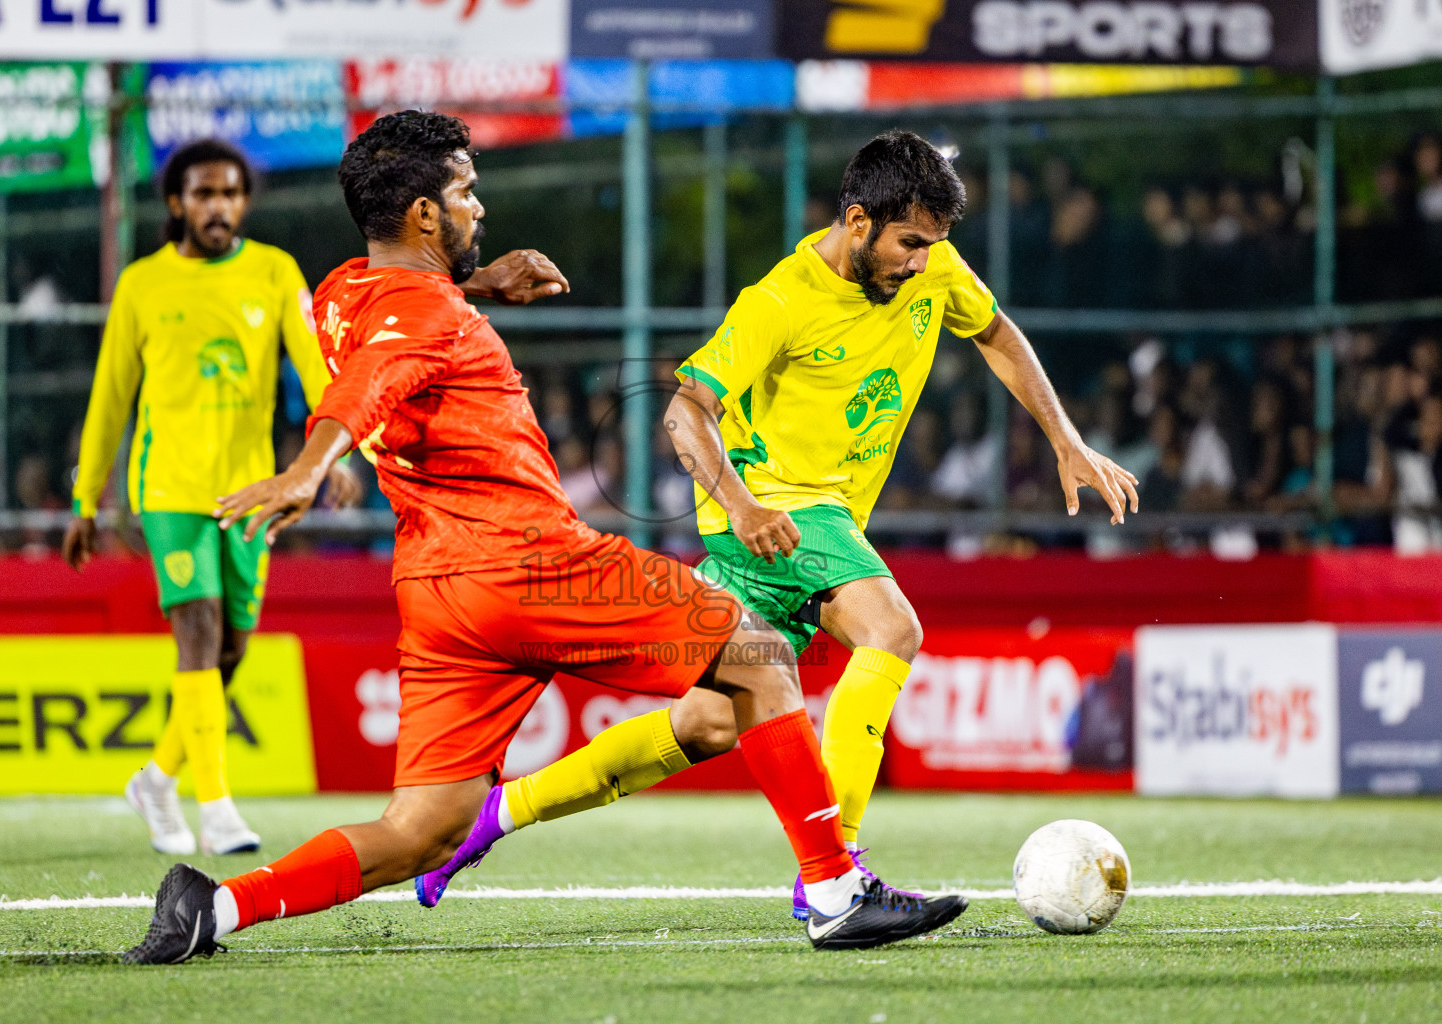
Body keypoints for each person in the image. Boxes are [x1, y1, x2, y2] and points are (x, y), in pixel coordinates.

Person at [124, 111, 966, 965]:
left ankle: (216, 907)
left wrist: (478, 281)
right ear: (424, 214)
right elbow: (374, 379)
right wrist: (310, 466)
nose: (479, 207)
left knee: (421, 829)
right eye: (465, 192)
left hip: (440, 593)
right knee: (761, 660)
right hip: (533, 562)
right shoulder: (429, 318)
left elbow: (390, 333)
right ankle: (834, 890)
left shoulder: (345, 292)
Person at [414, 130, 1139, 921]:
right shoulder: (781, 300)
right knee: (892, 630)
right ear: (857, 222)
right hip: (775, 509)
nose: (923, 262)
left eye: (933, 245)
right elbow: (684, 412)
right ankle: (838, 877)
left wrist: (1066, 441)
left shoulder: (932, 267)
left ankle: (494, 815)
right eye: (909, 243)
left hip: (790, 528)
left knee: (706, 724)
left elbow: (997, 333)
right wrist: (744, 504)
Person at [65, 139, 352, 857]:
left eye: (229, 193)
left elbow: (316, 368)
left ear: (243, 202)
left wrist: (335, 453)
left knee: (230, 649)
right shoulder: (142, 284)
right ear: (177, 203)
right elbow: (110, 397)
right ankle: (217, 808)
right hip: (169, 487)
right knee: (197, 630)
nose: (217, 206)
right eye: (203, 194)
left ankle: (157, 779)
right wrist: (85, 500)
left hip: (251, 491)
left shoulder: (274, 271)